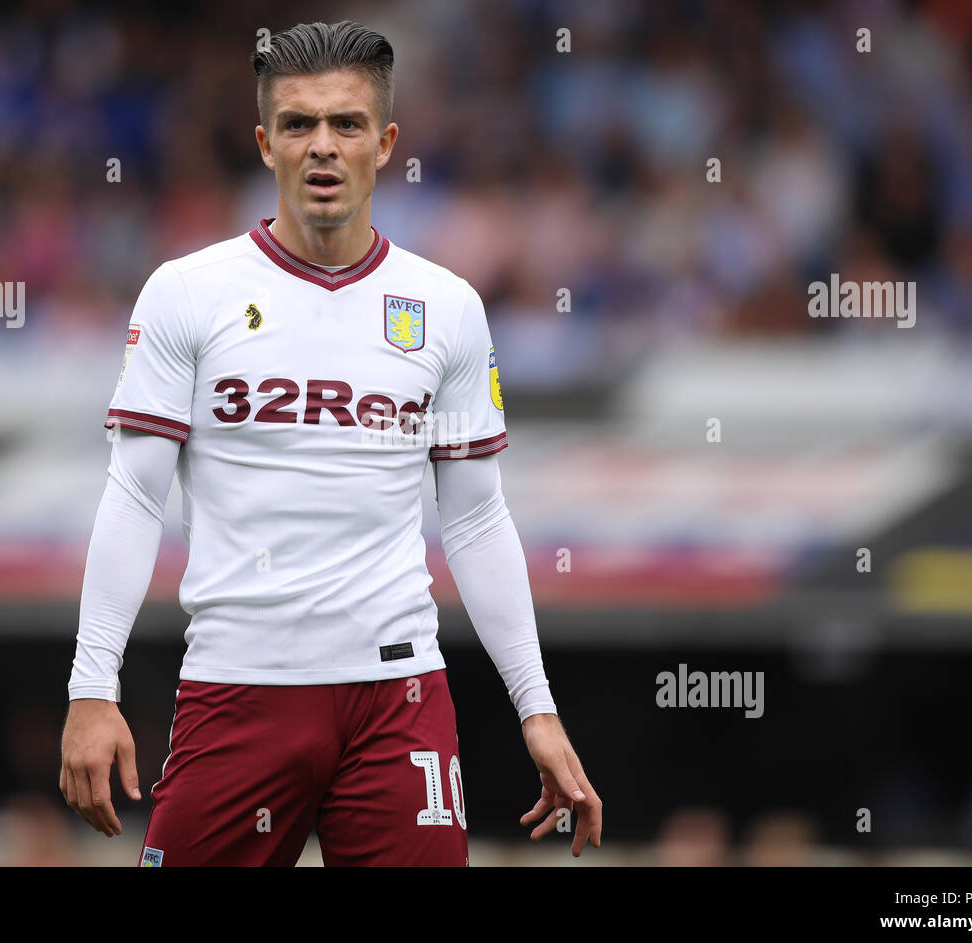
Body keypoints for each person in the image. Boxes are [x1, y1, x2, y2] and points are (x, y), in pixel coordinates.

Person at [59, 19, 600, 866]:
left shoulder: (447, 306)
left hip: (397, 696)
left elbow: (476, 522)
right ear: (264, 142)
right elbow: (134, 494)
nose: (322, 146)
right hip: (237, 690)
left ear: (384, 144)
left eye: (346, 124)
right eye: (299, 124)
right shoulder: (186, 293)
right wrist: (93, 688)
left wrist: (537, 708)